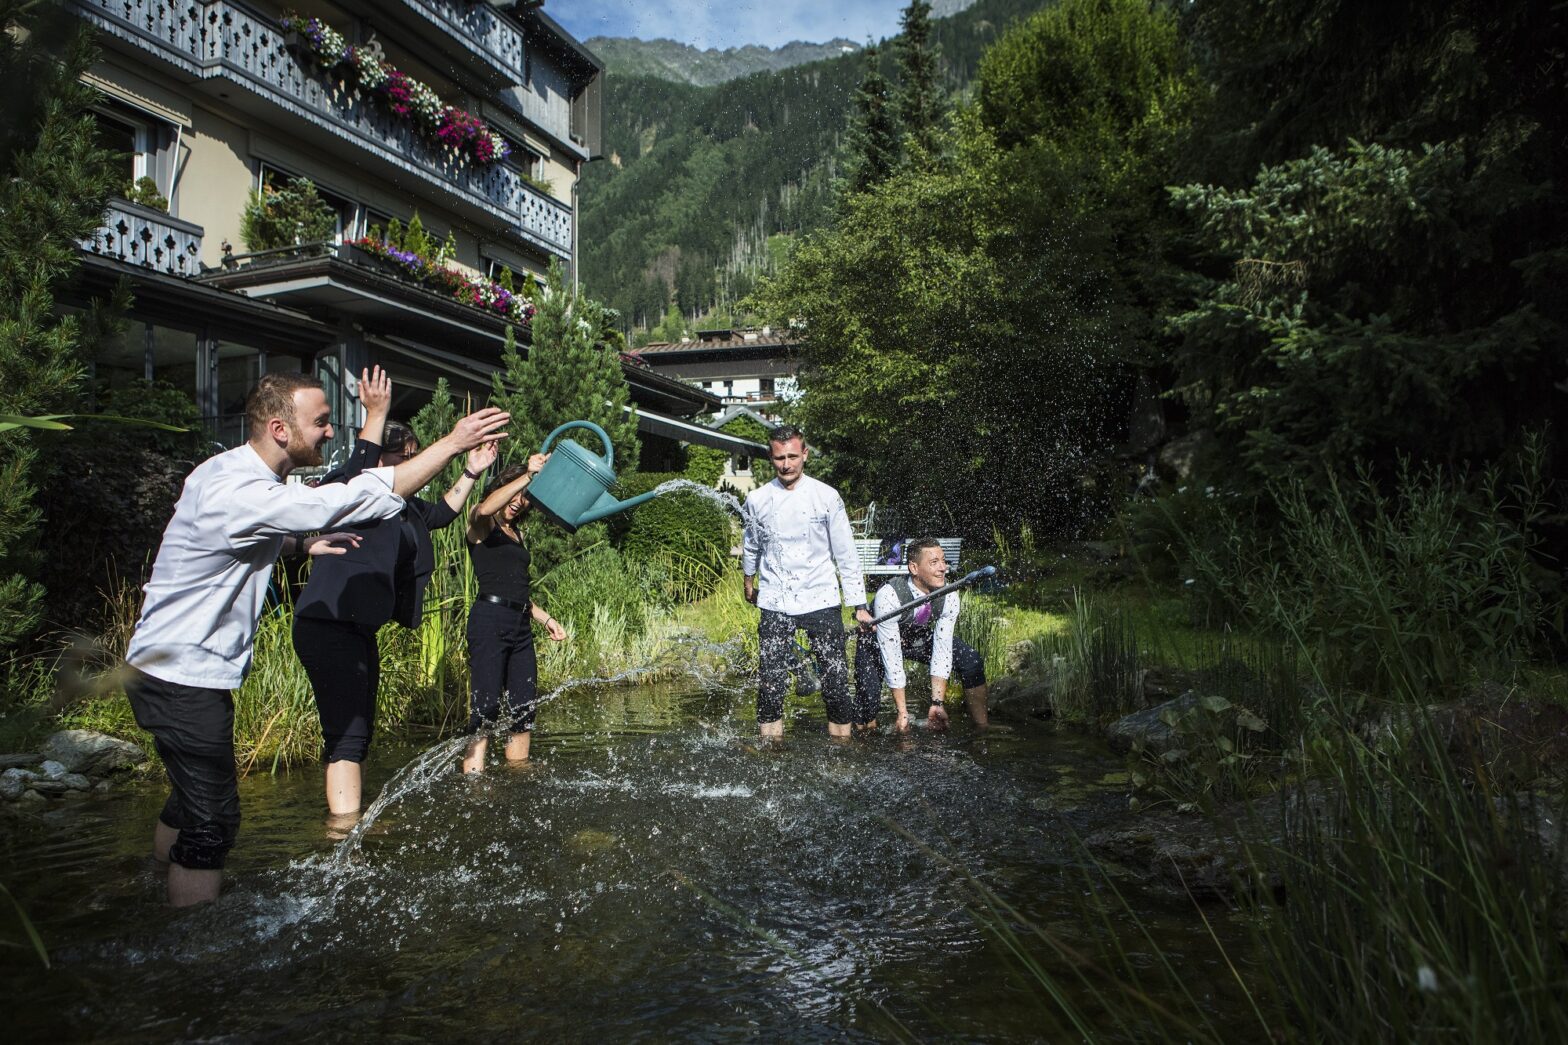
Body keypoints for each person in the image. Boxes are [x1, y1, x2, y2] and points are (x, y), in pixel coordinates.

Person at [122, 371, 509, 906]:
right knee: (215, 822)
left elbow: (240, 536)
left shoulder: (225, 473)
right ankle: (192, 951)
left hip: (166, 670)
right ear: (280, 428)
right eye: (321, 423)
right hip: (179, 676)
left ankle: (150, 885)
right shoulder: (241, 490)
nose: (330, 433)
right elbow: (351, 497)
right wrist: (454, 443)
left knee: (194, 795)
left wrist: (300, 546)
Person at [291, 367, 499, 817]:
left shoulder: (400, 505)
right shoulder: (349, 486)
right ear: (391, 457)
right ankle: (343, 835)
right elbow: (362, 467)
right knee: (346, 736)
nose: (417, 464)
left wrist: (470, 469)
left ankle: (347, 824)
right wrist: (376, 413)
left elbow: (442, 514)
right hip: (328, 625)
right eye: (410, 456)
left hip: (357, 627)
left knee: (356, 733)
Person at [741, 425, 872, 738]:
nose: (786, 464)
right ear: (771, 458)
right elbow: (751, 546)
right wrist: (749, 581)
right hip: (775, 599)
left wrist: (859, 606)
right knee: (771, 684)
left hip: (821, 598)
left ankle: (841, 756)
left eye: (792, 457)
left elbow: (846, 554)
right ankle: (770, 754)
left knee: (835, 683)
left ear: (805, 455)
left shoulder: (826, 497)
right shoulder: (757, 499)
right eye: (779, 458)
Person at [460, 456, 567, 773]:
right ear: (504, 485)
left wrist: (546, 618)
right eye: (518, 495)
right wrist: (528, 477)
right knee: (486, 705)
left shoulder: (517, 535)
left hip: (520, 625)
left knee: (524, 705)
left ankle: (518, 775)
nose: (520, 503)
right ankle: (473, 784)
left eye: (527, 500)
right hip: (489, 622)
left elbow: (518, 590)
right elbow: (486, 508)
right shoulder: (480, 523)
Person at [854, 537, 990, 732]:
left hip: (915, 636)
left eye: (943, 561)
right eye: (934, 563)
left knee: (970, 659)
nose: (943, 568)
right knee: (869, 698)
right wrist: (903, 712)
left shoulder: (949, 594)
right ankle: (861, 741)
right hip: (876, 639)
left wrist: (937, 703)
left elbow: (942, 649)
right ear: (914, 568)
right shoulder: (889, 595)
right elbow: (892, 658)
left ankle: (982, 728)